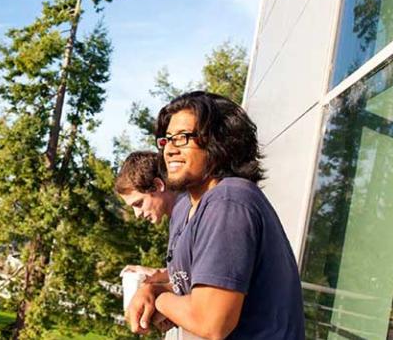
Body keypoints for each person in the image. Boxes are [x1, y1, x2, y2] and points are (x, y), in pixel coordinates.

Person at [126, 91, 304, 339]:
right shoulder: (189, 210)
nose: (169, 150)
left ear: (219, 141)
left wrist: (159, 298)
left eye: (183, 138)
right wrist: (153, 288)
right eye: (167, 140)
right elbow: (195, 289)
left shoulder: (229, 201)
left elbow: (210, 320)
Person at [115, 151, 183, 284]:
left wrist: (154, 293)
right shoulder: (178, 220)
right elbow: (192, 273)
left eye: (139, 203)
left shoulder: (199, 215)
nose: (137, 214)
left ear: (158, 185)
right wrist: (157, 274)